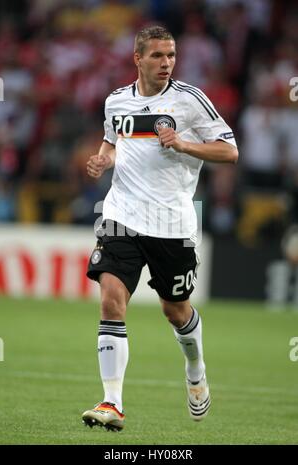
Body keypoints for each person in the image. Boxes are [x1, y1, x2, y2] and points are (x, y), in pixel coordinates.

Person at [82, 25, 238, 431]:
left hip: (172, 223)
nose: (166, 62)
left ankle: (195, 366)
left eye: (171, 55)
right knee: (111, 300)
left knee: (175, 310)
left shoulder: (189, 101)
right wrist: (104, 159)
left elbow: (230, 150)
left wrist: (185, 144)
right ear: (137, 58)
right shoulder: (116, 101)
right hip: (122, 215)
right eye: (157, 55)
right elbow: (112, 141)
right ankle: (111, 402)